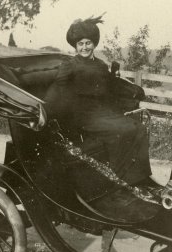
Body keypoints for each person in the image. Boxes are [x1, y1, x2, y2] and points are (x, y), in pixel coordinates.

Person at [43, 15, 153, 187]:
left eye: (88, 43)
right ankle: (121, 178)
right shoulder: (70, 65)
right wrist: (44, 110)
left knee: (138, 128)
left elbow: (110, 88)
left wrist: (133, 92)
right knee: (123, 131)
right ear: (76, 45)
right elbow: (57, 88)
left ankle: (139, 178)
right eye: (80, 44)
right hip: (82, 115)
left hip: (102, 112)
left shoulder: (101, 65)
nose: (84, 47)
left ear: (94, 43)